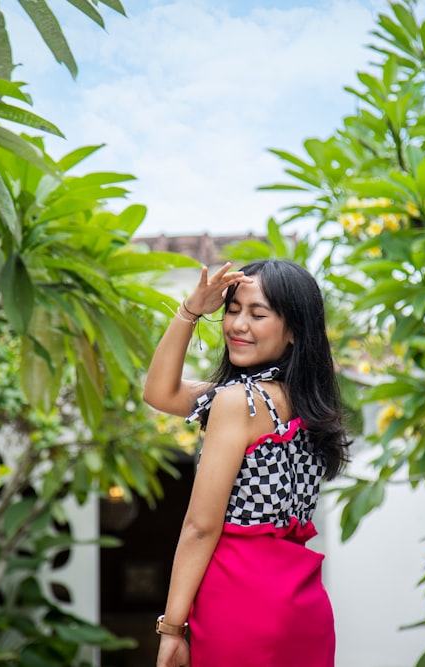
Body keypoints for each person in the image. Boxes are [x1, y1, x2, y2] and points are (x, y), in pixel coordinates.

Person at [143, 259, 351, 667]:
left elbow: (201, 528)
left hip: (239, 601)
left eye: (258, 314)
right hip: (302, 605)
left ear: (294, 331)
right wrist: (192, 310)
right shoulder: (306, 404)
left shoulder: (239, 403)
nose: (238, 325)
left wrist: (171, 628)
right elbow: (160, 392)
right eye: (233, 310)